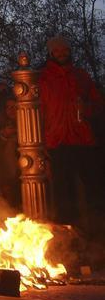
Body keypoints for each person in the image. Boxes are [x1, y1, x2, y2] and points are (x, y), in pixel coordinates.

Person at [39, 35, 104, 228]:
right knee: (63, 191)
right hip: (57, 141)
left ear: (69, 51)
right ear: (51, 53)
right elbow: (38, 112)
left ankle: (97, 230)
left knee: (94, 186)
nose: (61, 53)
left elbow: (98, 103)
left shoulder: (81, 75)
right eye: (57, 50)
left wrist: (88, 109)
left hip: (83, 139)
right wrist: (42, 141)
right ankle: (69, 234)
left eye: (64, 49)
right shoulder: (43, 78)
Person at [0, 97, 21, 209]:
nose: (10, 110)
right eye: (8, 108)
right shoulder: (2, 125)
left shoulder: (29, 123)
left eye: (14, 107)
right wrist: (4, 135)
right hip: (8, 168)